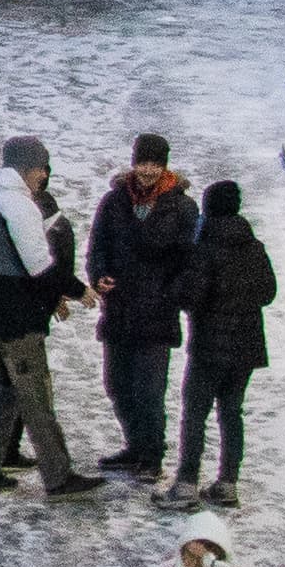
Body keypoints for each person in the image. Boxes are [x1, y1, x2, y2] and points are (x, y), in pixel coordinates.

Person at [0, 140, 103, 496]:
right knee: (36, 398)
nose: (44, 175)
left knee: (2, 391)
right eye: (42, 168)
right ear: (26, 168)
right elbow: (39, 266)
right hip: (16, 320)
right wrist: (77, 290)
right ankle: (59, 477)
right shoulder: (18, 205)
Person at [86, 133, 201, 486]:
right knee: (117, 384)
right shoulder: (114, 201)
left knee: (149, 391)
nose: (147, 171)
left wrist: (171, 295)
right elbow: (98, 245)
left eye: (154, 164)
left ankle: (151, 455)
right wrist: (99, 274)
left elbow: (189, 262)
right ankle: (135, 445)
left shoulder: (182, 207)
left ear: (164, 165)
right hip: (119, 309)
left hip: (156, 313)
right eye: (142, 163)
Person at [170, 169, 277, 505]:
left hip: (209, 348)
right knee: (232, 413)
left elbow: (190, 296)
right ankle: (228, 483)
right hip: (246, 348)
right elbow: (268, 292)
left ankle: (186, 484)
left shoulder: (205, 249)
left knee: (195, 413)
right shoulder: (254, 246)